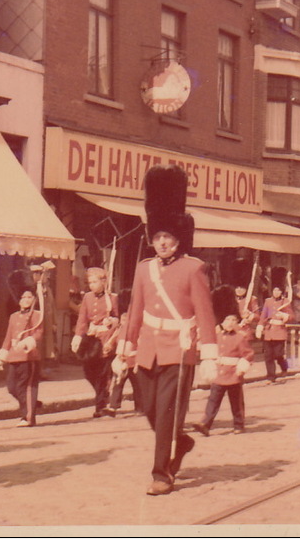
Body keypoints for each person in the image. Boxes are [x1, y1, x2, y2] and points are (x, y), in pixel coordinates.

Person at [112, 165, 217, 496]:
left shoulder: (194, 268)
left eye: (168, 238)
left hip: (179, 349)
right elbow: (134, 311)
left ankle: (162, 473)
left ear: (178, 239)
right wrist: (123, 349)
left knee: (168, 413)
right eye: (157, 238)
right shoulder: (144, 270)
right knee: (150, 410)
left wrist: (210, 355)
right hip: (147, 348)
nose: (162, 243)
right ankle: (181, 442)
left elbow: (205, 313)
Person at [192, 286, 254, 436]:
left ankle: (239, 424)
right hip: (219, 373)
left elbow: (248, 354)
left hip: (233, 374)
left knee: (236, 403)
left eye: (233, 320)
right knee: (213, 401)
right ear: (222, 321)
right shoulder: (217, 335)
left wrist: (241, 368)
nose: (230, 322)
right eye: (228, 319)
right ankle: (205, 423)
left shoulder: (240, 337)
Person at [0, 268, 45, 426]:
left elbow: (38, 334)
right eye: (23, 297)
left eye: (29, 297)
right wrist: (1, 358)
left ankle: (28, 417)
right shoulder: (13, 317)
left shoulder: (38, 315)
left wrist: (28, 343)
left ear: (33, 299)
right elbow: (8, 338)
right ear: (18, 300)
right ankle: (31, 405)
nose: (26, 300)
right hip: (14, 356)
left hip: (29, 356)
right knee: (12, 387)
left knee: (27, 387)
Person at [71, 267, 120, 418]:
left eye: (94, 282)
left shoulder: (112, 298)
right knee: (89, 372)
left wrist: (111, 322)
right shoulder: (87, 297)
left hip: (105, 338)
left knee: (102, 373)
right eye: (90, 282)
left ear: (103, 282)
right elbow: (82, 319)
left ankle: (100, 405)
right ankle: (103, 394)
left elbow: (118, 319)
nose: (91, 285)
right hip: (92, 339)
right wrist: (78, 336)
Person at [106, 288, 141, 415]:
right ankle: (113, 406)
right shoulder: (121, 328)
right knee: (118, 382)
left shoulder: (137, 327)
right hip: (121, 358)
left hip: (133, 359)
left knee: (137, 385)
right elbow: (115, 337)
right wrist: (109, 344)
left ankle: (140, 407)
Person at [257, 267, 293, 382]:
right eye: (274, 290)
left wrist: (285, 317)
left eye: (278, 290)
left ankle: (284, 366)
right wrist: (260, 326)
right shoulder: (268, 301)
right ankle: (271, 376)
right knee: (268, 356)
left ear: (282, 291)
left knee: (278, 354)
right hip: (269, 331)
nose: (276, 292)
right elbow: (264, 315)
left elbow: (292, 316)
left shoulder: (285, 302)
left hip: (280, 331)